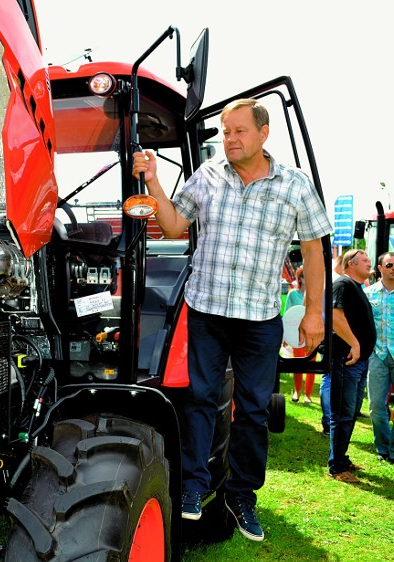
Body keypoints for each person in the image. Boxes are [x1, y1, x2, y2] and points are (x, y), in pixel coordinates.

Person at [132, 98, 331, 541]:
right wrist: (154, 180)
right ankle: (193, 487)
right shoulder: (207, 176)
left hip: (259, 317)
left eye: (239, 131)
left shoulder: (295, 185)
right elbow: (172, 226)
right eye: (225, 131)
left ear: (264, 133)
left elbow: (315, 250)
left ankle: (241, 495)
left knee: (254, 411)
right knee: (200, 398)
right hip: (207, 309)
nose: (230, 139)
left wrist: (315, 310)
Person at [327, 249, 376, 483]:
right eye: (365, 260)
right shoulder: (343, 284)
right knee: (343, 414)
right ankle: (336, 467)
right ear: (350, 264)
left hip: (359, 361)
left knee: (351, 412)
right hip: (347, 359)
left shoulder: (356, 286)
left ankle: (342, 459)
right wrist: (355, 344)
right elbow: (336, 317)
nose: (370, 263)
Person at [363, 251, 394, 465]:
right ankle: (383, 447)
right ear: (380, 268)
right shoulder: (368, 294)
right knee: (376, 406)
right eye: (389, 265)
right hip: (377, 355)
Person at [321, 253, 345, 435]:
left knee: (328, 377)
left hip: (325, 332)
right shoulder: (338, 282)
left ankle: (329, 421)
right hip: (333, 335)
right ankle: (330, 421)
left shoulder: (324, 278)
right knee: (330, 378)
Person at [285, 266, 315, 403]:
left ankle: (308, 395)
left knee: (311, 364)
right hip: (296, 334)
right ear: (301, 278)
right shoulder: (292, 294)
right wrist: (285, 334)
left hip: (312, 333)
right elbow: (287, 313)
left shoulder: (315, 294)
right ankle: (297, 391)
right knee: (297, 364)